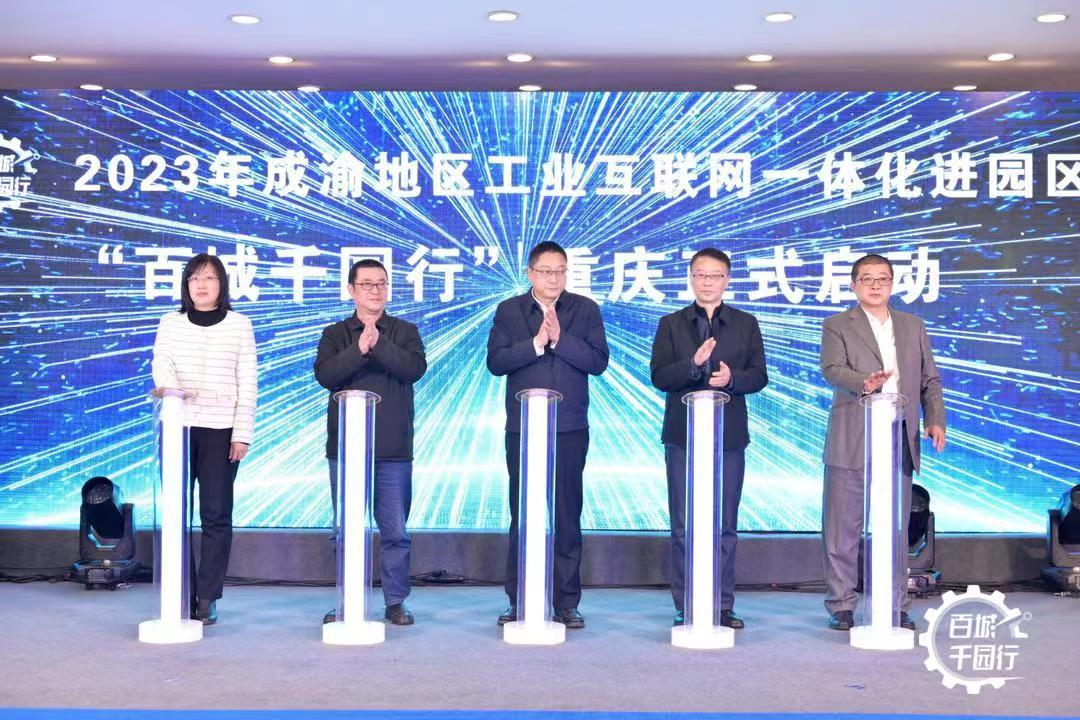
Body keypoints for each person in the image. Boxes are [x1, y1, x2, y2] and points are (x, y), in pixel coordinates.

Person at [819, 253, 946, 631]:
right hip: (853, 433)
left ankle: (895, 605)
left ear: (892, 284)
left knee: (895, 527)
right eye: (867, 279)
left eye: (883, 279)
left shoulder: (912, 325)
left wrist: (935, 419)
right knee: (842, 526)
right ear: (853, 285)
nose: (875, 285)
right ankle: (842, 604)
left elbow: (929, 380)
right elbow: (831, 369)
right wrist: (865, 382)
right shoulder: (837, 324)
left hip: (898, 434)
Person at [486, 241, 609, 629]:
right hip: (523, 428)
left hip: (569, 428)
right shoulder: (509, 311)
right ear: (530, 273)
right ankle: (519, 598)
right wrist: (537, 344)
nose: (553, 278)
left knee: (567, 515)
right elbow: (496, 362)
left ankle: (566, 602)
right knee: (522, 514)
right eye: (545, 271)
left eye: (560, 271)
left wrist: (561, 340)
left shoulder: (585, 310)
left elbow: (598, 361)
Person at [649, 248, 768, 628]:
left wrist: (731, 380)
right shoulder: (671, 324)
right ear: (691, 278)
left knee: (725, 523)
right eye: (700, 275)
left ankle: (722, 602)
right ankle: (686, 602)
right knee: (683, 525)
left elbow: (759, 376)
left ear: (727, 280)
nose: (707, 282)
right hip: (682, 436)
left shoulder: (746, 323)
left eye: (715, 275)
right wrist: (693, 365)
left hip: (728, 436)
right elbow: (659, 376)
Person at [315, 259, 427, 626]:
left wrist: (378, 344)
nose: (375, 290)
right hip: (346, 451)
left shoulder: (405, 331)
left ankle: (395, 601)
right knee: (345, 531)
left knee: (395, 532)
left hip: (393, 450)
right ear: (351, 290)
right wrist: (358, 349)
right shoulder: (335, 334)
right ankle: (347, 600)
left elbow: (414, 369)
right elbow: (326, 375)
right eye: (367, 284)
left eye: (381, 283)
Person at [151, 253, 257, 626]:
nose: (201, 284)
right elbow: (161, 364)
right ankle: (181, 591)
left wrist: (242, 433)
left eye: (209, 277)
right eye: (194, 277)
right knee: (176, 514)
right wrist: (176, 393)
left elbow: (248, 382)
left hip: (221, 430)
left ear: (222, 284)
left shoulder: (239, 325)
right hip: (177, 427)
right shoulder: (170, 322)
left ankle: (207, 597)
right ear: (186, 284)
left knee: (216, 515)